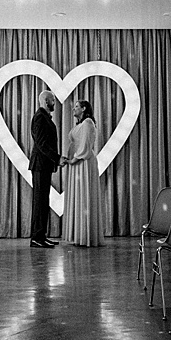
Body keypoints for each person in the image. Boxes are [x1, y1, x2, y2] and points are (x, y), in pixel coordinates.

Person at [61, 99, 103, 247]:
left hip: (83, 163)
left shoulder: (87, 123)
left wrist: (74, 160)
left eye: (77, 107)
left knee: (83, 196)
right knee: (79, 196)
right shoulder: (81, 124)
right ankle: (78, 234)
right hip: (77, 163)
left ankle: (84, 235)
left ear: (84, 108)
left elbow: (85, 145)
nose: (74, 109)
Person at [28, 90, 60, 248]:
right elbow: (41, 144)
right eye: (52, 100)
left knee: (43, 201)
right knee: (40, 201)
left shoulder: (44, 117)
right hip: (40, 165)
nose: (54, 103)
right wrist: (57, 158)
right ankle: (36, 237)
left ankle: (40, 235)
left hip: (43, 165)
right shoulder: (40, 117)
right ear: (46, 101)